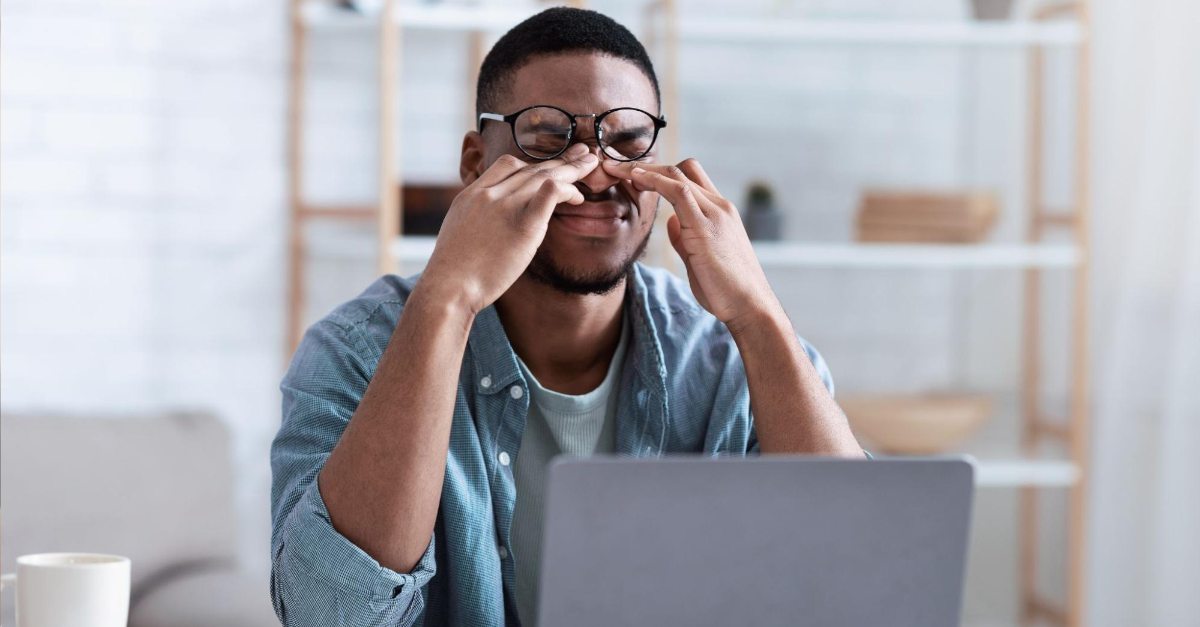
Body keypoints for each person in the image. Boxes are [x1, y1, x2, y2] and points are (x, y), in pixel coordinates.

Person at [270, 7, 865, 627]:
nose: (595, 171)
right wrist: (447, 296)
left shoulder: (733, 359)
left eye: (629, 139)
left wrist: (756, 312)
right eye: (549, 138)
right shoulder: (354, 351)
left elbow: (861, 583)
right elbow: (326, 613)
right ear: (475, 164)